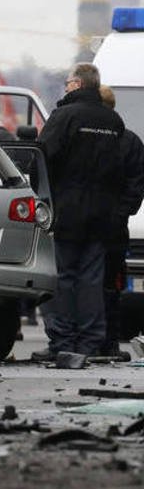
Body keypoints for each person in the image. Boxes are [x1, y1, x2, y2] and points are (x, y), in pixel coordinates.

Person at [33, 63, 124, 360]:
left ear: (76, 85)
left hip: (68, 211)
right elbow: (118, 167)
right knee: (92, 280)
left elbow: (43, 157)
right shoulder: (113, 121)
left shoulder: (64, 116)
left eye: (68, 82)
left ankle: (64, 342)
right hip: (102, 215)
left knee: (63, 277)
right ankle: (90, 342)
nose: (66, 86)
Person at [99, 86, 144, 359]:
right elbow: (136, 186)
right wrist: (122, 213)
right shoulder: (130, 141)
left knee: (85, 280)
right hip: (116, 226)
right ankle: (109, 340)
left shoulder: (95, 139)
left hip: (90, 222)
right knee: (111, 283)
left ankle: (90, 338)